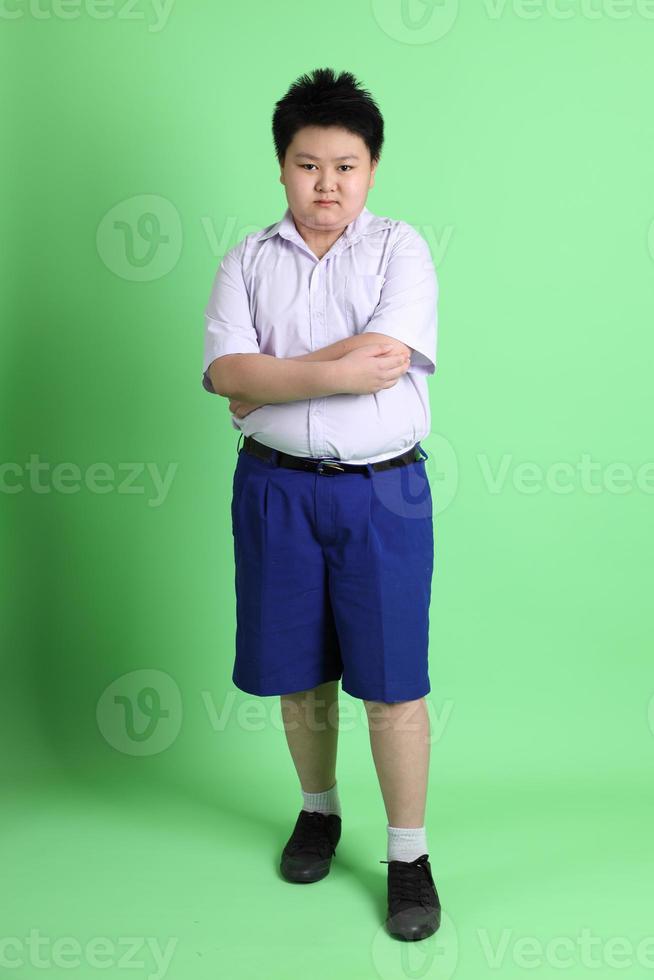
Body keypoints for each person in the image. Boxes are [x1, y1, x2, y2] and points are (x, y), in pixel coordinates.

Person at [201, 67, 441, 942]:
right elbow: (225, 374)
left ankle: (408, 856)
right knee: (299, 673)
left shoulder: (401, 250)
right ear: (282, 167)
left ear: (371, 168)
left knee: (392, 682)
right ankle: (318, 809)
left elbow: (385, 354)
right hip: (272, 490)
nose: (327, 183)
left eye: (346, 164)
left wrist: (273, 380)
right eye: (309, 165)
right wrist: (317, 377)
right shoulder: (246, 260)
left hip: (382, 493)